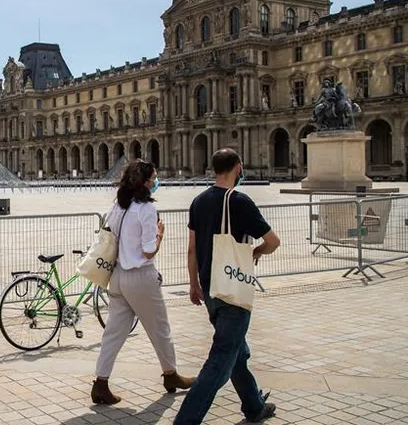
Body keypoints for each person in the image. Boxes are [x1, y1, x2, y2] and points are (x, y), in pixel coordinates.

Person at [174, 148, 281, 424]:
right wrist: (256, 252)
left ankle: (255, 407)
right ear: (238, 167)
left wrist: (193, 284)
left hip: (210, 289)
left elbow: (192, 249)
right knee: (221, 361)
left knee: (237, 352)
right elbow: (273, 242)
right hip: (233, 290)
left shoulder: (198, 201)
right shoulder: (240, 201)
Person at [91, 159, 194, 405]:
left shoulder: (118, 205)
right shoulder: (146, 209)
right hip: (140, 278)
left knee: (113, 333)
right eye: (154, 178)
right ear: (146, 183)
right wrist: (159, 235)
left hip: (117, 277)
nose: (156, 181)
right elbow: (148, 251)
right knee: (160, 329)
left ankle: (100, 383)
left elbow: (109, 236)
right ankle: (171, 375)